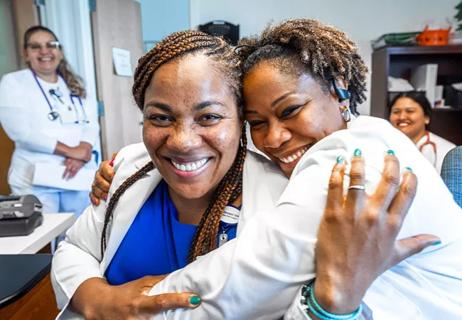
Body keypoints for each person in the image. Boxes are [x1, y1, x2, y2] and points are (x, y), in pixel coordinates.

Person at [53, 21, 462, 319]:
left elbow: (260, 284)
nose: (182, 140)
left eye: (209, 117)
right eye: (160, 117)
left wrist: (133, 306)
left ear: (234, 122)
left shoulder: (316, 176)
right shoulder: (128, 167)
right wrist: (93, 297)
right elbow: (75, 248)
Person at [0, 26, 99, 215]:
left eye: (50, 45)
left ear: (59, 51)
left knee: (77, 234)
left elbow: (90, 123)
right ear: (26, 53)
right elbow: (21, 133)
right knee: (42, 237)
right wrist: (72, 152)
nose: (44, 51)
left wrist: (83, 151)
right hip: (35, 178)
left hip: (77, 174)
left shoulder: (75, 84)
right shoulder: (13, 82)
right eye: (35, 46)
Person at [388, 91, 455, 173]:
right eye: (396, 112)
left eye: (410, 111)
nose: (402, 117)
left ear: (426, 118)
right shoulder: (381, 145)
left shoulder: (448, 151)